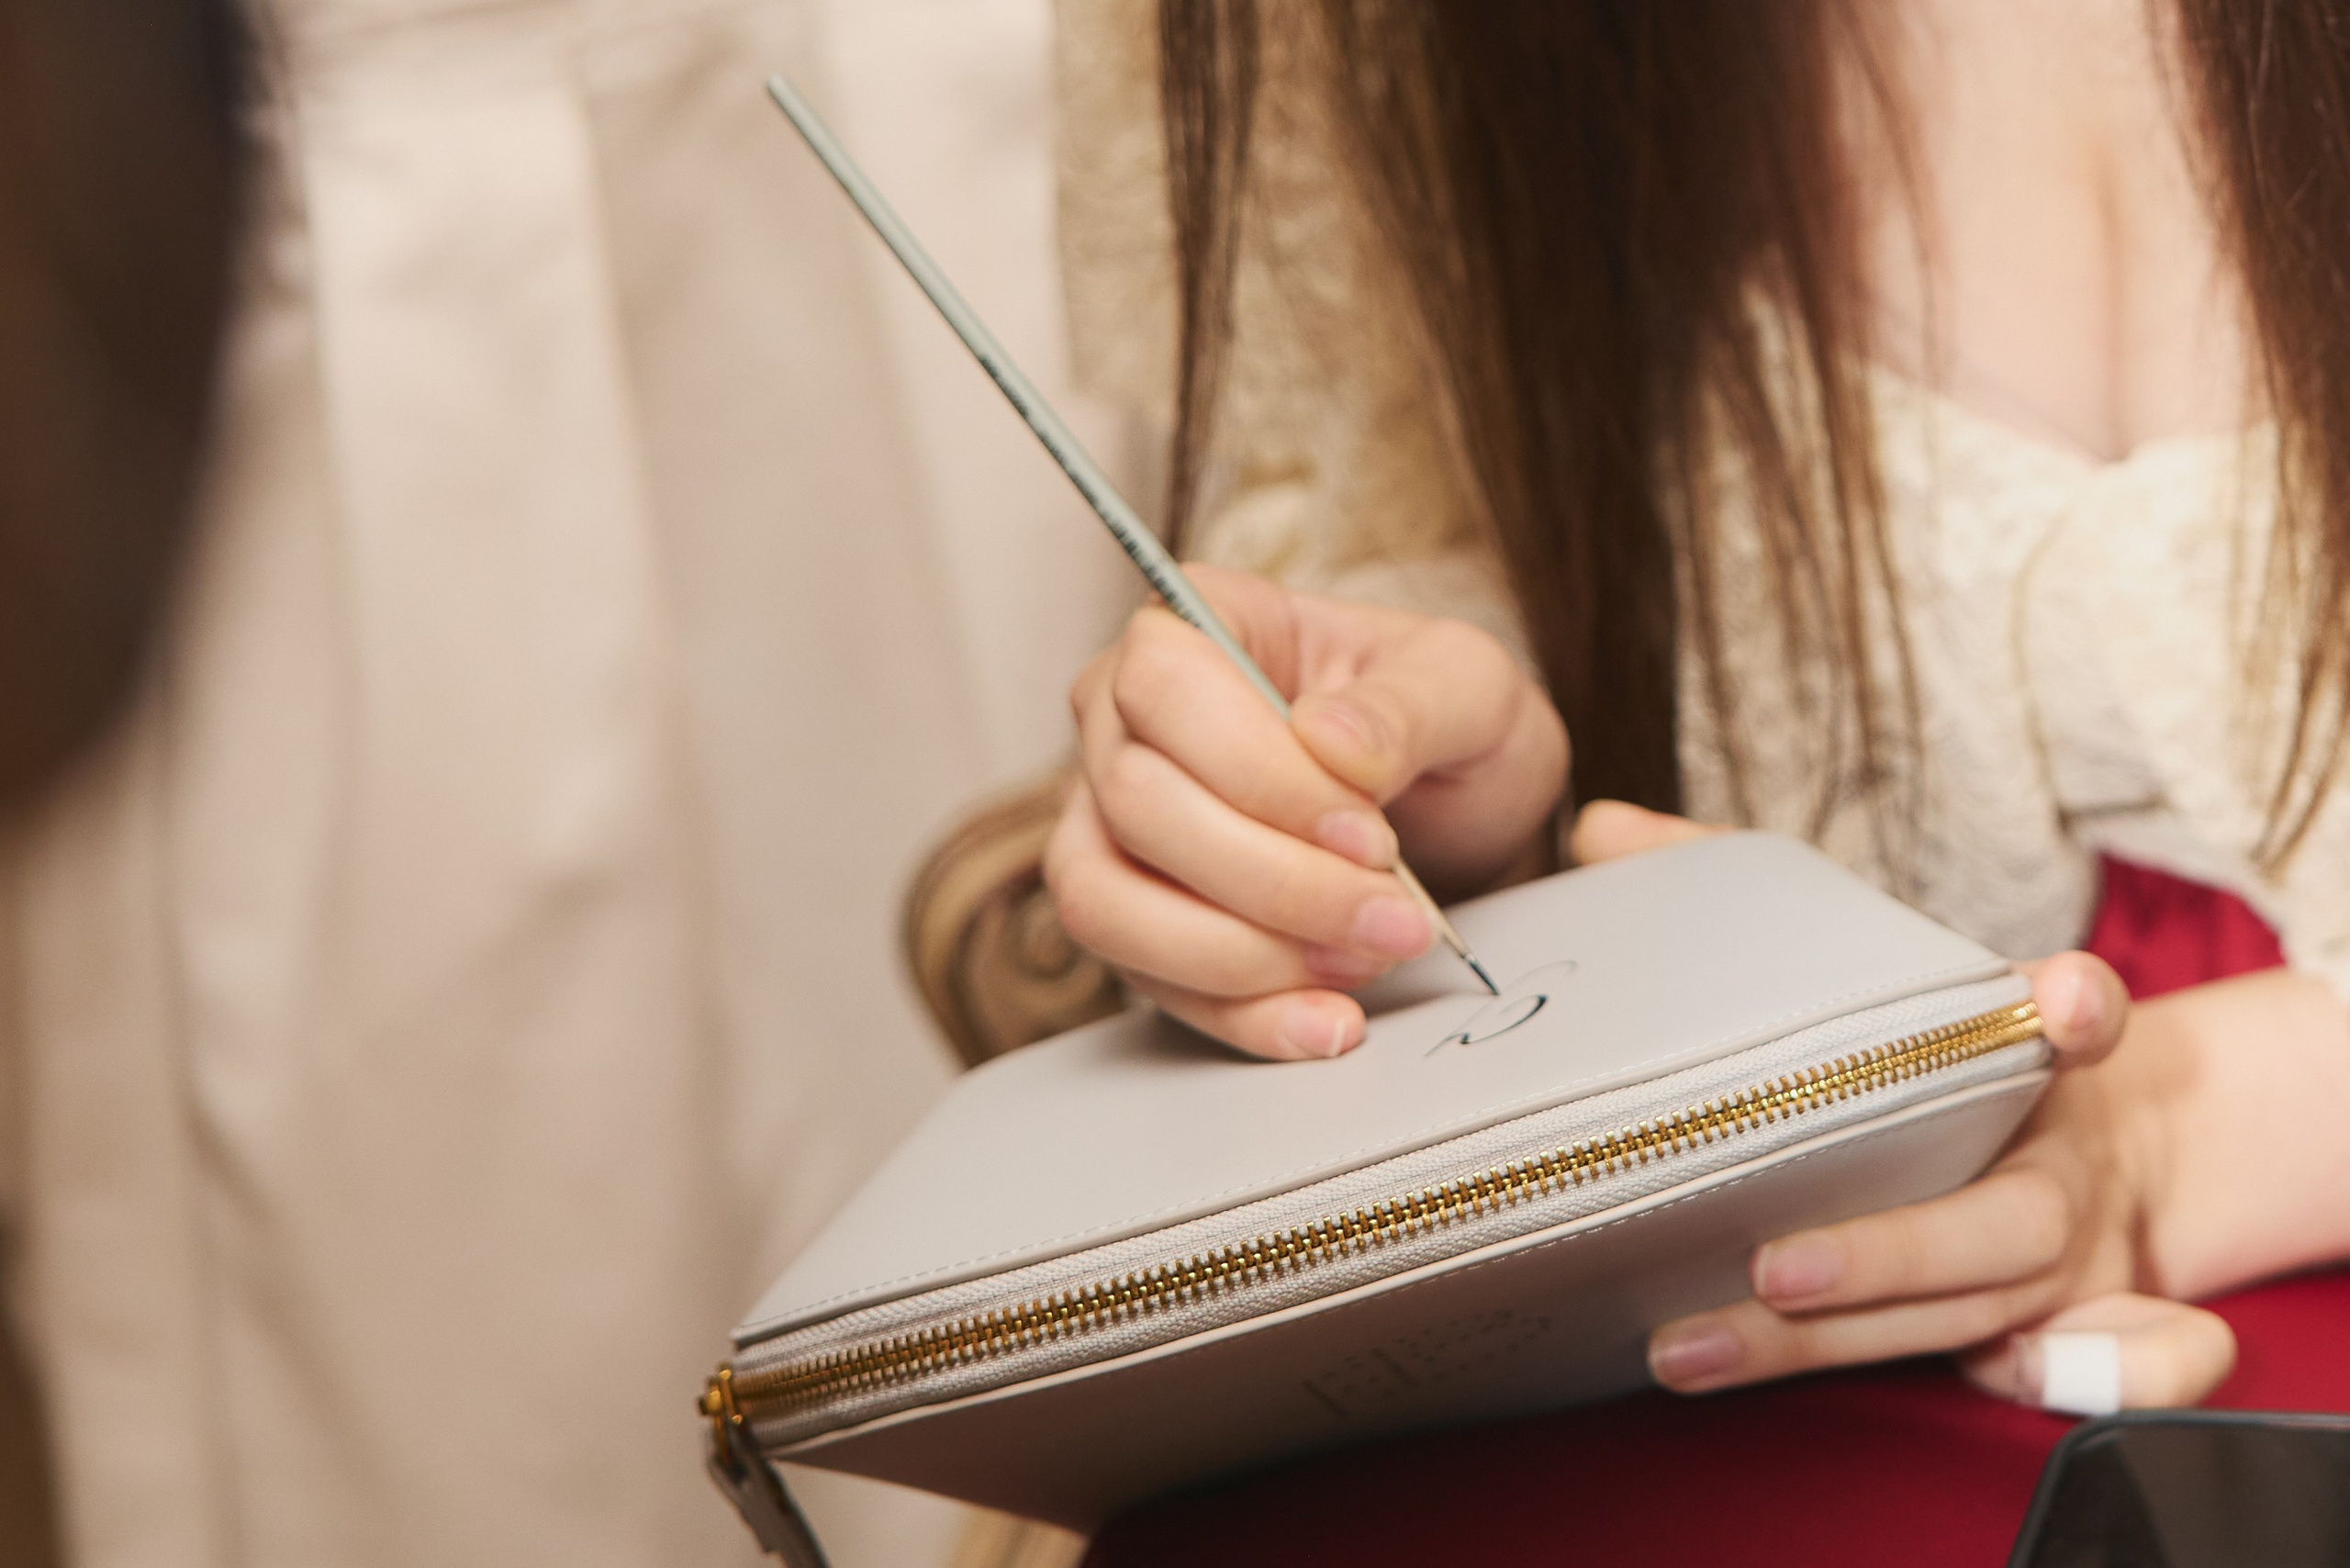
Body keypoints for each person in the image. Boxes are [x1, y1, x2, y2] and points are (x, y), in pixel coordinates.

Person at [1041, 0, 2350, 1486]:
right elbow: (1414, 481)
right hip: (1776, 1299)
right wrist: (1408, 789)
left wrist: (2172, 1140)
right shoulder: (1352, 39)